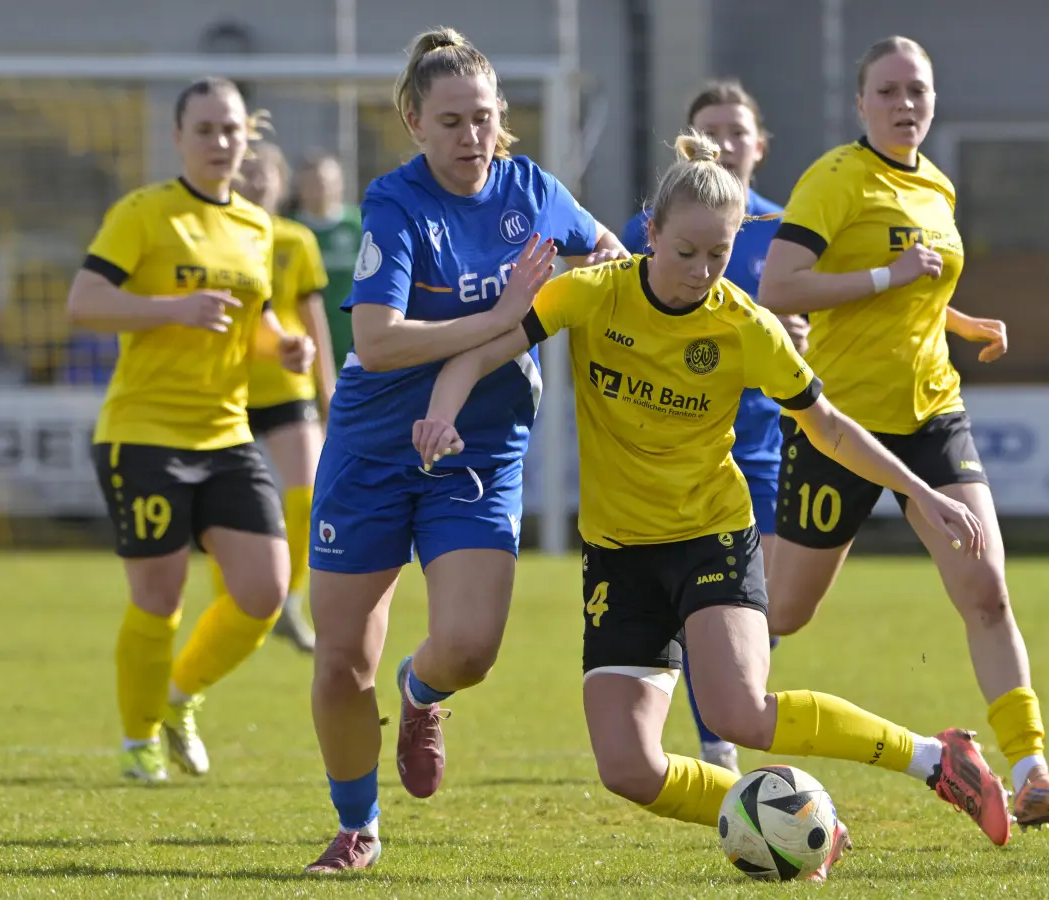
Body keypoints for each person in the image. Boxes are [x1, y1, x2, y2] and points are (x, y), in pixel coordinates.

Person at [415, 132, 1012, 882]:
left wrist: (923, 494)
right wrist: (442, 413)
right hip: (620, 553)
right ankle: (800, 820)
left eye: (720, 256)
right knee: (627, 768)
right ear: (651, 232)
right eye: (686, 251)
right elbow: (482, 347)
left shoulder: (743, 325)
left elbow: (827, 425)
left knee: (739, 714)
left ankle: (935, 759)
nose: (701, 272)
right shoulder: (592, 293)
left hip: (711, 536)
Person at [304, 26, 629, 875]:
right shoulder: (394, 203)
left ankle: (422, 694)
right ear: (413, 121)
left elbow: (608, 256)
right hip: (375, 446)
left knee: (472, 647)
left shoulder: (534, 190)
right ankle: (357, 825)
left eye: (483, 118)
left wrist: (609, 281)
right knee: (341, 660)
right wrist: (501, 321)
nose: (471, 138)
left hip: (482, 445)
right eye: (450, 121)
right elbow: (375, 343)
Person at [756, 36, 1049, 831]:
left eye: (918, 90)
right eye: (889, 91)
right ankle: (710, 700)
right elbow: (779, 287)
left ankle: (1031, 770)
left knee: (985, 587)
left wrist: (960, 320)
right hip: (837, 423)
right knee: (785, 611)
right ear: (861, 104)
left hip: (932, 413)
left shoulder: (937, 186)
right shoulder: (835, 179)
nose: (906, 104)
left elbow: (913, 291)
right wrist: (888, 277)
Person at [66, 77, 316, 784]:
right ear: (178, 138)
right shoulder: (144, 213)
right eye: (205, 129)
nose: (220, 142)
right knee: (160, 596)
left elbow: (256, 317)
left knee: (265, 592)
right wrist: (171, 310)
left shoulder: (257, 225)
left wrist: (283, 345)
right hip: (143, 433)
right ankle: (138, 738)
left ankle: (177, 697)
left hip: (226, 435)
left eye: (231, 129)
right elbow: (83, 303)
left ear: (248, 137)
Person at [619, 79, 804, 777]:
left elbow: (816, 319)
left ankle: (723, 704)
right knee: (712, 600)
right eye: (710, 129)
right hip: (683, 450)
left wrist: (798, 332)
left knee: (769, 609)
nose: (725, 143)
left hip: (764, 443)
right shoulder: (663, 226)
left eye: (737, 130)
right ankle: (717, 741)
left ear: (760, 143)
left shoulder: (788, 228)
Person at [217, 143, 335, 654]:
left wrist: (326, 386)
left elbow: (314, 319)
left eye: (264, 171)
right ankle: (234, 607)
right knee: (219, 504)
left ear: (281, 180)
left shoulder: (296, 239)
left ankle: (291, 602)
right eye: (246, 171)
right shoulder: (219, 233)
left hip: (289, 382)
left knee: (307, 491)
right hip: (230, 383)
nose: (256, 180)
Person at [291, 151, 361, 373]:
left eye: (327, 182)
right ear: (299, 187)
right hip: (304, 345)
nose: (321, 189)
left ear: (340, 183)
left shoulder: (361, 225)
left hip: (356, 342)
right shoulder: (290, 231)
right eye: (312, 183)